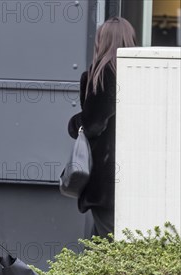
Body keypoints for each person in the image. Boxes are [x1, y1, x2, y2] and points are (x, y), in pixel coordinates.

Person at [68, 17, 136, 238]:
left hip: (105, 181)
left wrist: (74, 123)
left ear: (102, 41)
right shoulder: (139, 74)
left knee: (107, 245)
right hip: (133, 175)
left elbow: (93, 125)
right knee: (104, 243)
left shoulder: (102, 74)